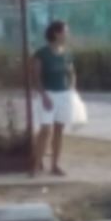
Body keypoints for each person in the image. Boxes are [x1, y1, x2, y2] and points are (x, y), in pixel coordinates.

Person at [30, 20, 76, 177]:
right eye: (65, 31)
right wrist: (43, 95)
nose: (67, 34)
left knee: (59, 130)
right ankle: (35, 166)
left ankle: (55, 165)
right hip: (48, 94)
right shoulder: (41, 54)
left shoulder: (67, 53)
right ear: (56, 33)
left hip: (63, 94)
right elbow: (36, 77)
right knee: (45, 130)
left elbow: (71, 73)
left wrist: (71, 88)